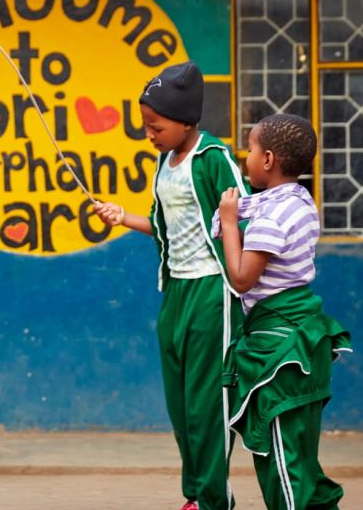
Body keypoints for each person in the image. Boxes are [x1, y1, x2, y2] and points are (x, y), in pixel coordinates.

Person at [94, 61, 249, 510]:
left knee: (206, 404)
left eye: (155, 126)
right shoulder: (166, 161)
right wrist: (123, 217)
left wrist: (243, 278)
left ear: (185, 121)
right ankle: (196, 494)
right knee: (181, 406)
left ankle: (213, 500)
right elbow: (165, 226)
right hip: (176, 290)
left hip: (211, 291)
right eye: (146, 126)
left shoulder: (213, 158)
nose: (149, 134)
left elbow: (249, 217)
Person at [214, 114, 351, 510]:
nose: (246, 158)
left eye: (251, 150)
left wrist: (227, 221)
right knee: (302, 462)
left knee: (284, 468)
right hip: (303, 339)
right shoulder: (300, 202)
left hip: (281, 352)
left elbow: (241, 279)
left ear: (269, 158)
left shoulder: (269, 217)